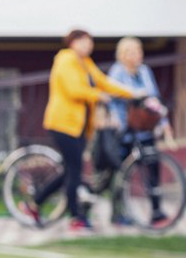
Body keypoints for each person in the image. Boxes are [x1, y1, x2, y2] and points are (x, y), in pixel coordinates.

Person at [22, 29, 135, 232]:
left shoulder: (86, 63)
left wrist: (131, 94)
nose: (87, 46)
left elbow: (104, 82)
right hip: (63, 124)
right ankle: (76, 217)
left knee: (70, 171)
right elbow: (74, 90)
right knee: (75, 170)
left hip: (80, 127)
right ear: (73, 42)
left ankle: (35, 204)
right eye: (83, 42)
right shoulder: (65, 60)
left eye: (90, 42)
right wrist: (97, 95)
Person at [106, 36, 170, 227]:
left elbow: (154, 101)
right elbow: (110, 94)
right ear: (123, 55)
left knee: (153, 166)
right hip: (125, 131)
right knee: (119, 171)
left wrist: (164, 122)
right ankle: (117, 213)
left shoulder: (144, 71)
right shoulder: (117, 72)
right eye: (132, 52)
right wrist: (133, 94)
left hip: (145, 129)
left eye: (139, 51)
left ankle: (157, 211)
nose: (137, 55)